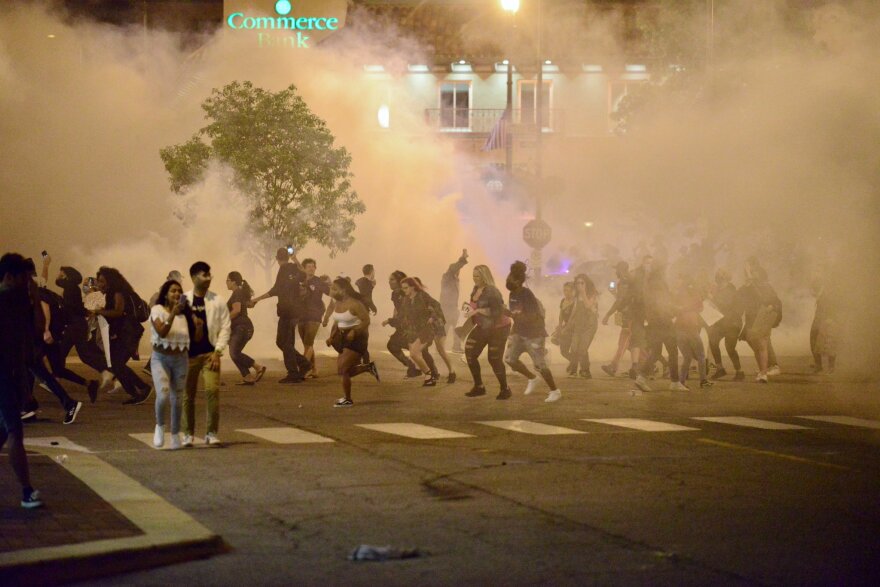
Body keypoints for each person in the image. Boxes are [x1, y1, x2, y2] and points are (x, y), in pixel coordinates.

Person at [0, 253, 43, 508]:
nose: (29, 282)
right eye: (24, 278)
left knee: (5, 430)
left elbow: (34, 333)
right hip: (3, 376)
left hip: (14, 375)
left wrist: (25, 385)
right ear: (9, 277)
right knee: (15, 431)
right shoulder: (5, 302)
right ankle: (26, 491)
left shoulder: (18, 301)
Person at [43, 256, 112, 396]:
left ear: (66, 276)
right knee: (84, 355)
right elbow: (76, 307)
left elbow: (72, 308)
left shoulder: (70, 288)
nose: (58, 275)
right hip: (77, 325)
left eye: (61, 273)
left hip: (75, 326)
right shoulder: (71, 289)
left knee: (61, 352)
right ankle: (106, 371)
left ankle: (55, 380)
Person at [181, 261, 231, 447]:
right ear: (194, 278)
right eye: (204, 275)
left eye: (209, 274)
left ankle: (211, 433)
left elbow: (226, 327)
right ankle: (188, 434)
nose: (208, 278)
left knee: (212, 391)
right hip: (188, 356)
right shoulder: (183, 301)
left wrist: (218, 352)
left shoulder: (217, 301)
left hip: (210, 355)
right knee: (188, 395)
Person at [92, 267, 152, 404]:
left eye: (102, 281)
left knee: (116, 365)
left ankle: (143, 388)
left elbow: (118, 311)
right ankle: (136, 393)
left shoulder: (118, 293)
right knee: (115, 365)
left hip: (128, 333)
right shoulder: (112, 293)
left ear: (110, 281)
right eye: (98, 281)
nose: (99, 284)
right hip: (122, 333)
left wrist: (100, 312)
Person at [504, 261, 562, 402]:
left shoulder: (527, 294)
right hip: (519, 332)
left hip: (534, 334)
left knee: (540, 365)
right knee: (510, 359)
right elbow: (516, 315)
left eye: (512, 278)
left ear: (519, 281)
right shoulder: (512, 294)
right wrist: (512, 332)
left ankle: (555, 391)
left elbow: (531, 317)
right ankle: (532, 378)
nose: (508, 280)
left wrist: (511, 315)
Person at [251, 248, 309, 384]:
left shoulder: (283, 270)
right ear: (287, 257)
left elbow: (275, 290)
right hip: (292, 312)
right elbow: (304, 275)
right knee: (282, 342)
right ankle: (304, 363)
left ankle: (293, 373)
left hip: (288, 312)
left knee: (286, 343)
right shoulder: (294, 268)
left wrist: (256, 300)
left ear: (277, 259)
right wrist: (295, 259)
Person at [149, 280, 191, 450]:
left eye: (179, 291)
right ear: (165, 293)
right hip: (161, 359)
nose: (176, 294)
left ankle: (175, 434)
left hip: (181, 359)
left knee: (178, 398)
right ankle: (159, 427)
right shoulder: (157, 310)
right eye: (172, 290)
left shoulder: (185, 315)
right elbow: (162, 333)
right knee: (164, 394)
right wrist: (173, 313)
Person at [325, 278, 379, 407]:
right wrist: (331, 336)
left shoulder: (355, 304)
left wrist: (355, 331)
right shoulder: (337, 303)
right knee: (345, 371)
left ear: (343, 290)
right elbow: (337, 322)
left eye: (334, 289)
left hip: (357, 338)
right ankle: (368, 367)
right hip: (343, 338)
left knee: (343, 368)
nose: (331, 291)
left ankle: (348, 399)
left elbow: (366, 321)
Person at [464, 265, 512, 400]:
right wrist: (467, 311)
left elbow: (497, 312)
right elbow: (473, 306)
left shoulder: (492, 292)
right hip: (483, 327)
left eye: (477, 276)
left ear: (484, 277)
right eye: (473, 276)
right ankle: (479, 387)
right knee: (470, 353)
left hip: (499, 328)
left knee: (494, 359)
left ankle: (505, 389)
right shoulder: (475, 289)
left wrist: (478, 311)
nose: (475, 279)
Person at [634, 264, 682, 392]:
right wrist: (675, 311)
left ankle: (642, 378)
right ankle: (675, 382)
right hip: (664, 323)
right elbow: (662, 304)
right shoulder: (659, 285)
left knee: (655, 352)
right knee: (672, 352)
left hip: (654, 323)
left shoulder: (648, 286)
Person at [399, 277, 450, 386]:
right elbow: (405, 316)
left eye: (406, 288)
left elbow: (436, 305)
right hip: (416, 331)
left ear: (413, 287)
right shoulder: (406, 300)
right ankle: (430, 376)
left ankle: (430, 375)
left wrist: (433, 317)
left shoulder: (422, 295)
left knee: (414, 353)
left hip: (427, 329)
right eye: (403, 288)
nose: (404, 290)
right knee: (414, 354)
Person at [739, 263, 781, 383]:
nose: (753, 274)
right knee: (757, 346)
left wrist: (771, 307)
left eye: (755, 272)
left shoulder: (766, 286)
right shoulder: (748, 286)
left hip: (763, 318)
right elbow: (741, 297)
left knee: (762, 344)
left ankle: (763, 373)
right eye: (752, 272)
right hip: (752, 318)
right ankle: (762, 370)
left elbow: (776, 301)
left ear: (760, 274)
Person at [382, 270, 427, 379]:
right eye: (389, 279)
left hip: (412, 326)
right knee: (394, 345)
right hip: (403, 325)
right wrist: (394, 318)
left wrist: (390, 321)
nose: (389, 282)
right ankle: (413, 367)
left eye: (392, 279)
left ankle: (428, 371)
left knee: (413, 348)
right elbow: (397, 308)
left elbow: (406, 311)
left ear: (398, 281)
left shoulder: (405, 293)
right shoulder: (395, 294)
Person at [226, 272, 265, 385]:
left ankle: (258, 367)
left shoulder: (237, 292)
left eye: (228, 280)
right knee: (235, 353)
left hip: (241, 327)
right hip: (243, 328)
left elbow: (237, 310)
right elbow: (249, 305)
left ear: (233, 281)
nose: (226, 283)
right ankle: (247, 376)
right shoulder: (239, 293)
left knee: (234, 353)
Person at [673, 276, 712, 390]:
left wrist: (682, 308)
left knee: (687, 357)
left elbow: (673, 308)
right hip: (691, 327)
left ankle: (681, 381)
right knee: (700, 355)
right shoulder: (695, 294)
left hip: (679, 328)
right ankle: (703, 380)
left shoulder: (679, 295)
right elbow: (700, 308)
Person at [601, 261, 637, 378]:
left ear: (621, 270)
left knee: (624, 342)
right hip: (628, 314)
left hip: (629, 315)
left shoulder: (625, 281)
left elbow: (620, 301)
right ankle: (648, 364)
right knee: (631, 343)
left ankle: (613, 366)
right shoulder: (629, 280)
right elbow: (623, 298)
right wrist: (614, 294)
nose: (615, 272)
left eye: (617, 269)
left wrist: (607, 314)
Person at [707, 269, 744, 381]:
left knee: (730, 347)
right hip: (722, 322)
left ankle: (739, 371)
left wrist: (712, 299)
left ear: (726, 280)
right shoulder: (720, 290)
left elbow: (724, 305)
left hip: (732, 323)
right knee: (713, 341)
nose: (719, 282)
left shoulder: (731, 291)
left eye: (721, 279)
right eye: (718, 279)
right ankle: (720, 368)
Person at [563, 273, 600, 378]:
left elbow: (588, 306)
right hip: (579, 324)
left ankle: (585, 371)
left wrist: (583, 292)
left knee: (582, 348)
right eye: (578, 283)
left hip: (589, 325)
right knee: (574, 348)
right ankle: (574, 370)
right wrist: (567, 326)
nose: (580, 285)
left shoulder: (592, 294)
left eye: (582, 283)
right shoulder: (576, 295)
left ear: (586, 283)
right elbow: (574, 311)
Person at [298, 259, 330, 378]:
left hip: (314, 315)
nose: (311, 268)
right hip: (301, 316)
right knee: (307, 345)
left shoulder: (318, 281)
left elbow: (330, 292)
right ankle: (314, 369)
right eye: (308, 266)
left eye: (313, 266)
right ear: (304, 268)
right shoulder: (300, 281)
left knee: (309, 343)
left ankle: (303, 369)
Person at [440, 249, 469, 352]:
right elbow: (454, 267)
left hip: (452, 308)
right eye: (458, 268)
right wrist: (463, 258)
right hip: (446, 308)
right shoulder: (447, 276)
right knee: (445, 328)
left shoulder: (456, 279)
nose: (459, 270)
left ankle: (455, 347)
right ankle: (440, 347)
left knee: (456, 326)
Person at [810, 278, 837, 374]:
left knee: (829, 343)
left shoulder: (827, 294)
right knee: (814, 341)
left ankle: (830, 367)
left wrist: (829, 320)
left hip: (826, 320)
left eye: (813, 287)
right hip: (820, 319)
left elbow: (831, 308)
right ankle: (819, 365)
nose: (812, 290)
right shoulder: (822, 293)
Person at [550, 282, 576, 365]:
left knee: (574, 349)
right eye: (565, 290)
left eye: (568, 291)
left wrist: (565, 329)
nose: (566, 293)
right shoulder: (563, 300)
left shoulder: (576, 302)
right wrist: (560, 326)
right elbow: (561, 315)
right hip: (566, 326)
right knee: (563, 351)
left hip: (575, 327)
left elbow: (573, 318)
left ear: (573, 291)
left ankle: (574, 365)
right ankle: (574, 362)